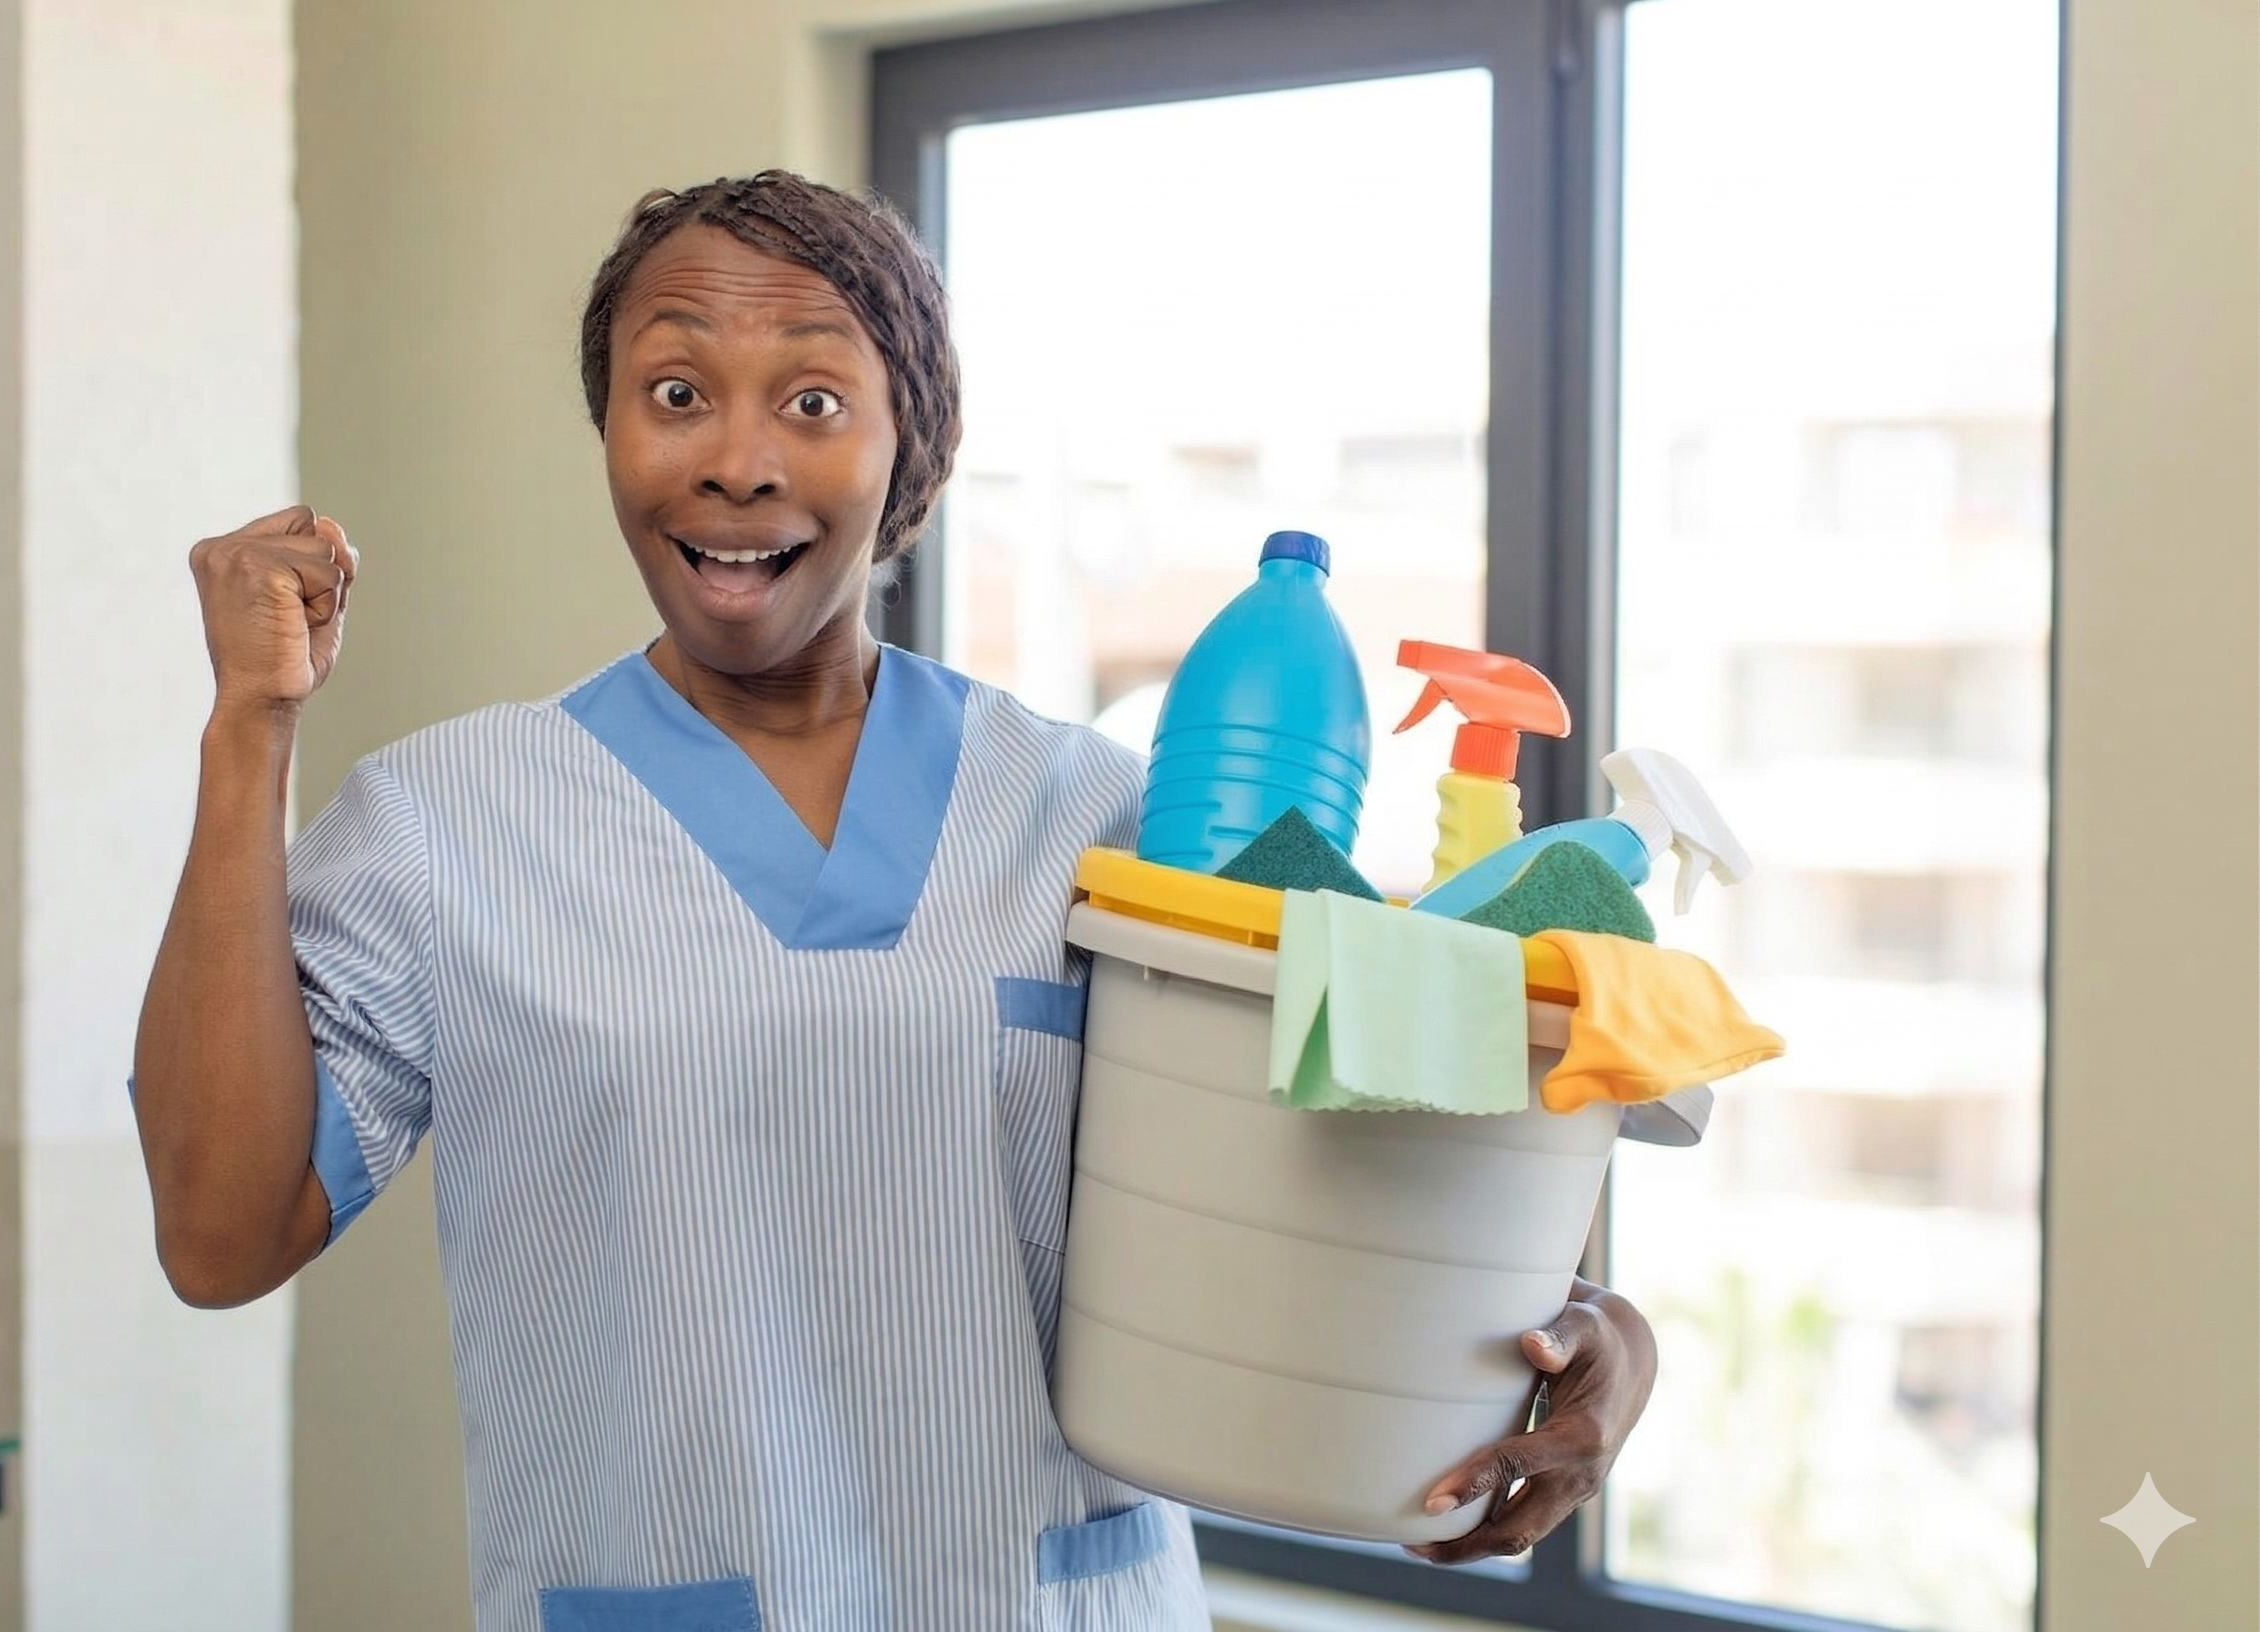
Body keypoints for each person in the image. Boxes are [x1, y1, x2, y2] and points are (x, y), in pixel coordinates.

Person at [132, 170, 1657, 1632]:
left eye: (812, 399)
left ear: (909, 446)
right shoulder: (445, 826)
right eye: (674, 393)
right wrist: (247, 729)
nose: (738, 458)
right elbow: (221, 1235)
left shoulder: (1095, 821)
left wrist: (1603, 1337)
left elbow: (1312, 1198)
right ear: (607, 432)